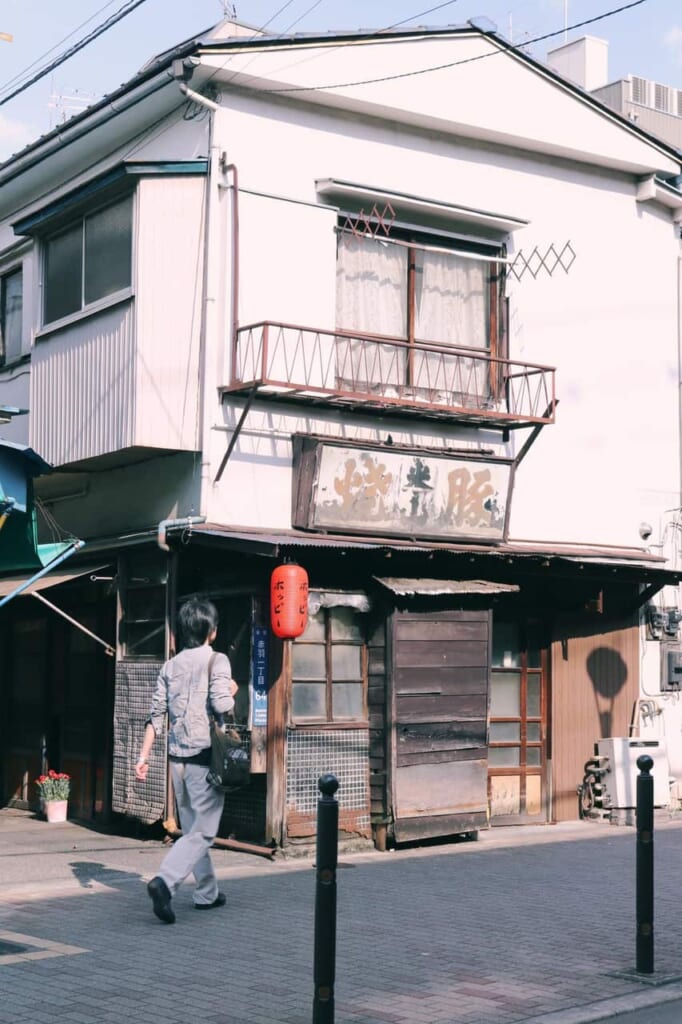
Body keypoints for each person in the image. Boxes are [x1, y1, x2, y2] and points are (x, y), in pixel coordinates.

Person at [135, 597, 238, 924]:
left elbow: (155, 715)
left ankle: (207, 893)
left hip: (176, 760)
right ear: (212, 631)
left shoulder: (170, 665)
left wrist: (143, 756)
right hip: (204, 760)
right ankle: (165, 881)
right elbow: (222, 704)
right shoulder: (217, 660)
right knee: (204, 832)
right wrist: (233, 689)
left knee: (193, 829)